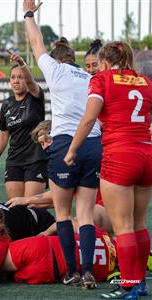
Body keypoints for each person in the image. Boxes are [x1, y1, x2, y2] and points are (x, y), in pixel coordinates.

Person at [23, 0, 102, 289]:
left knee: (63, 214)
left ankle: (72, 271)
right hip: (93, 144)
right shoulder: (92, 77)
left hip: (66, 142)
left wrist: (29, 13)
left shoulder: (55, 71)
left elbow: (35, 41)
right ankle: (89, 271)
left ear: (56, 60)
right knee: (86, 215)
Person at [64, 41, 151, 298]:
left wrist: (72, 150)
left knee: (122, 226)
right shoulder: (144, 81)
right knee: (138, 224)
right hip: (146, 153)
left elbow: (90, 117)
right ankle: (140, 284)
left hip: (120, 155)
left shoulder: (102, 79)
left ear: (103, 62)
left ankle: (129, 286)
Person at [0, 49, 47, 199]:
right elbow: (4, 134)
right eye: (13, 77)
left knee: (31, 206)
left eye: (20, 77)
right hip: (14, 160)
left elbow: (31, 82)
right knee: (15, 208)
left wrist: (21, 63)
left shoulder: (35, 97)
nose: (16, 81)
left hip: (35, 159)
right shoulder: (7, 104)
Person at [2, 227, 117, 285]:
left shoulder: (102, 234)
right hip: (49, 272)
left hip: (45, 246)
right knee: (4, 276)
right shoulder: (110, 273)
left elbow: (66, 225)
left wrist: (45, 232)